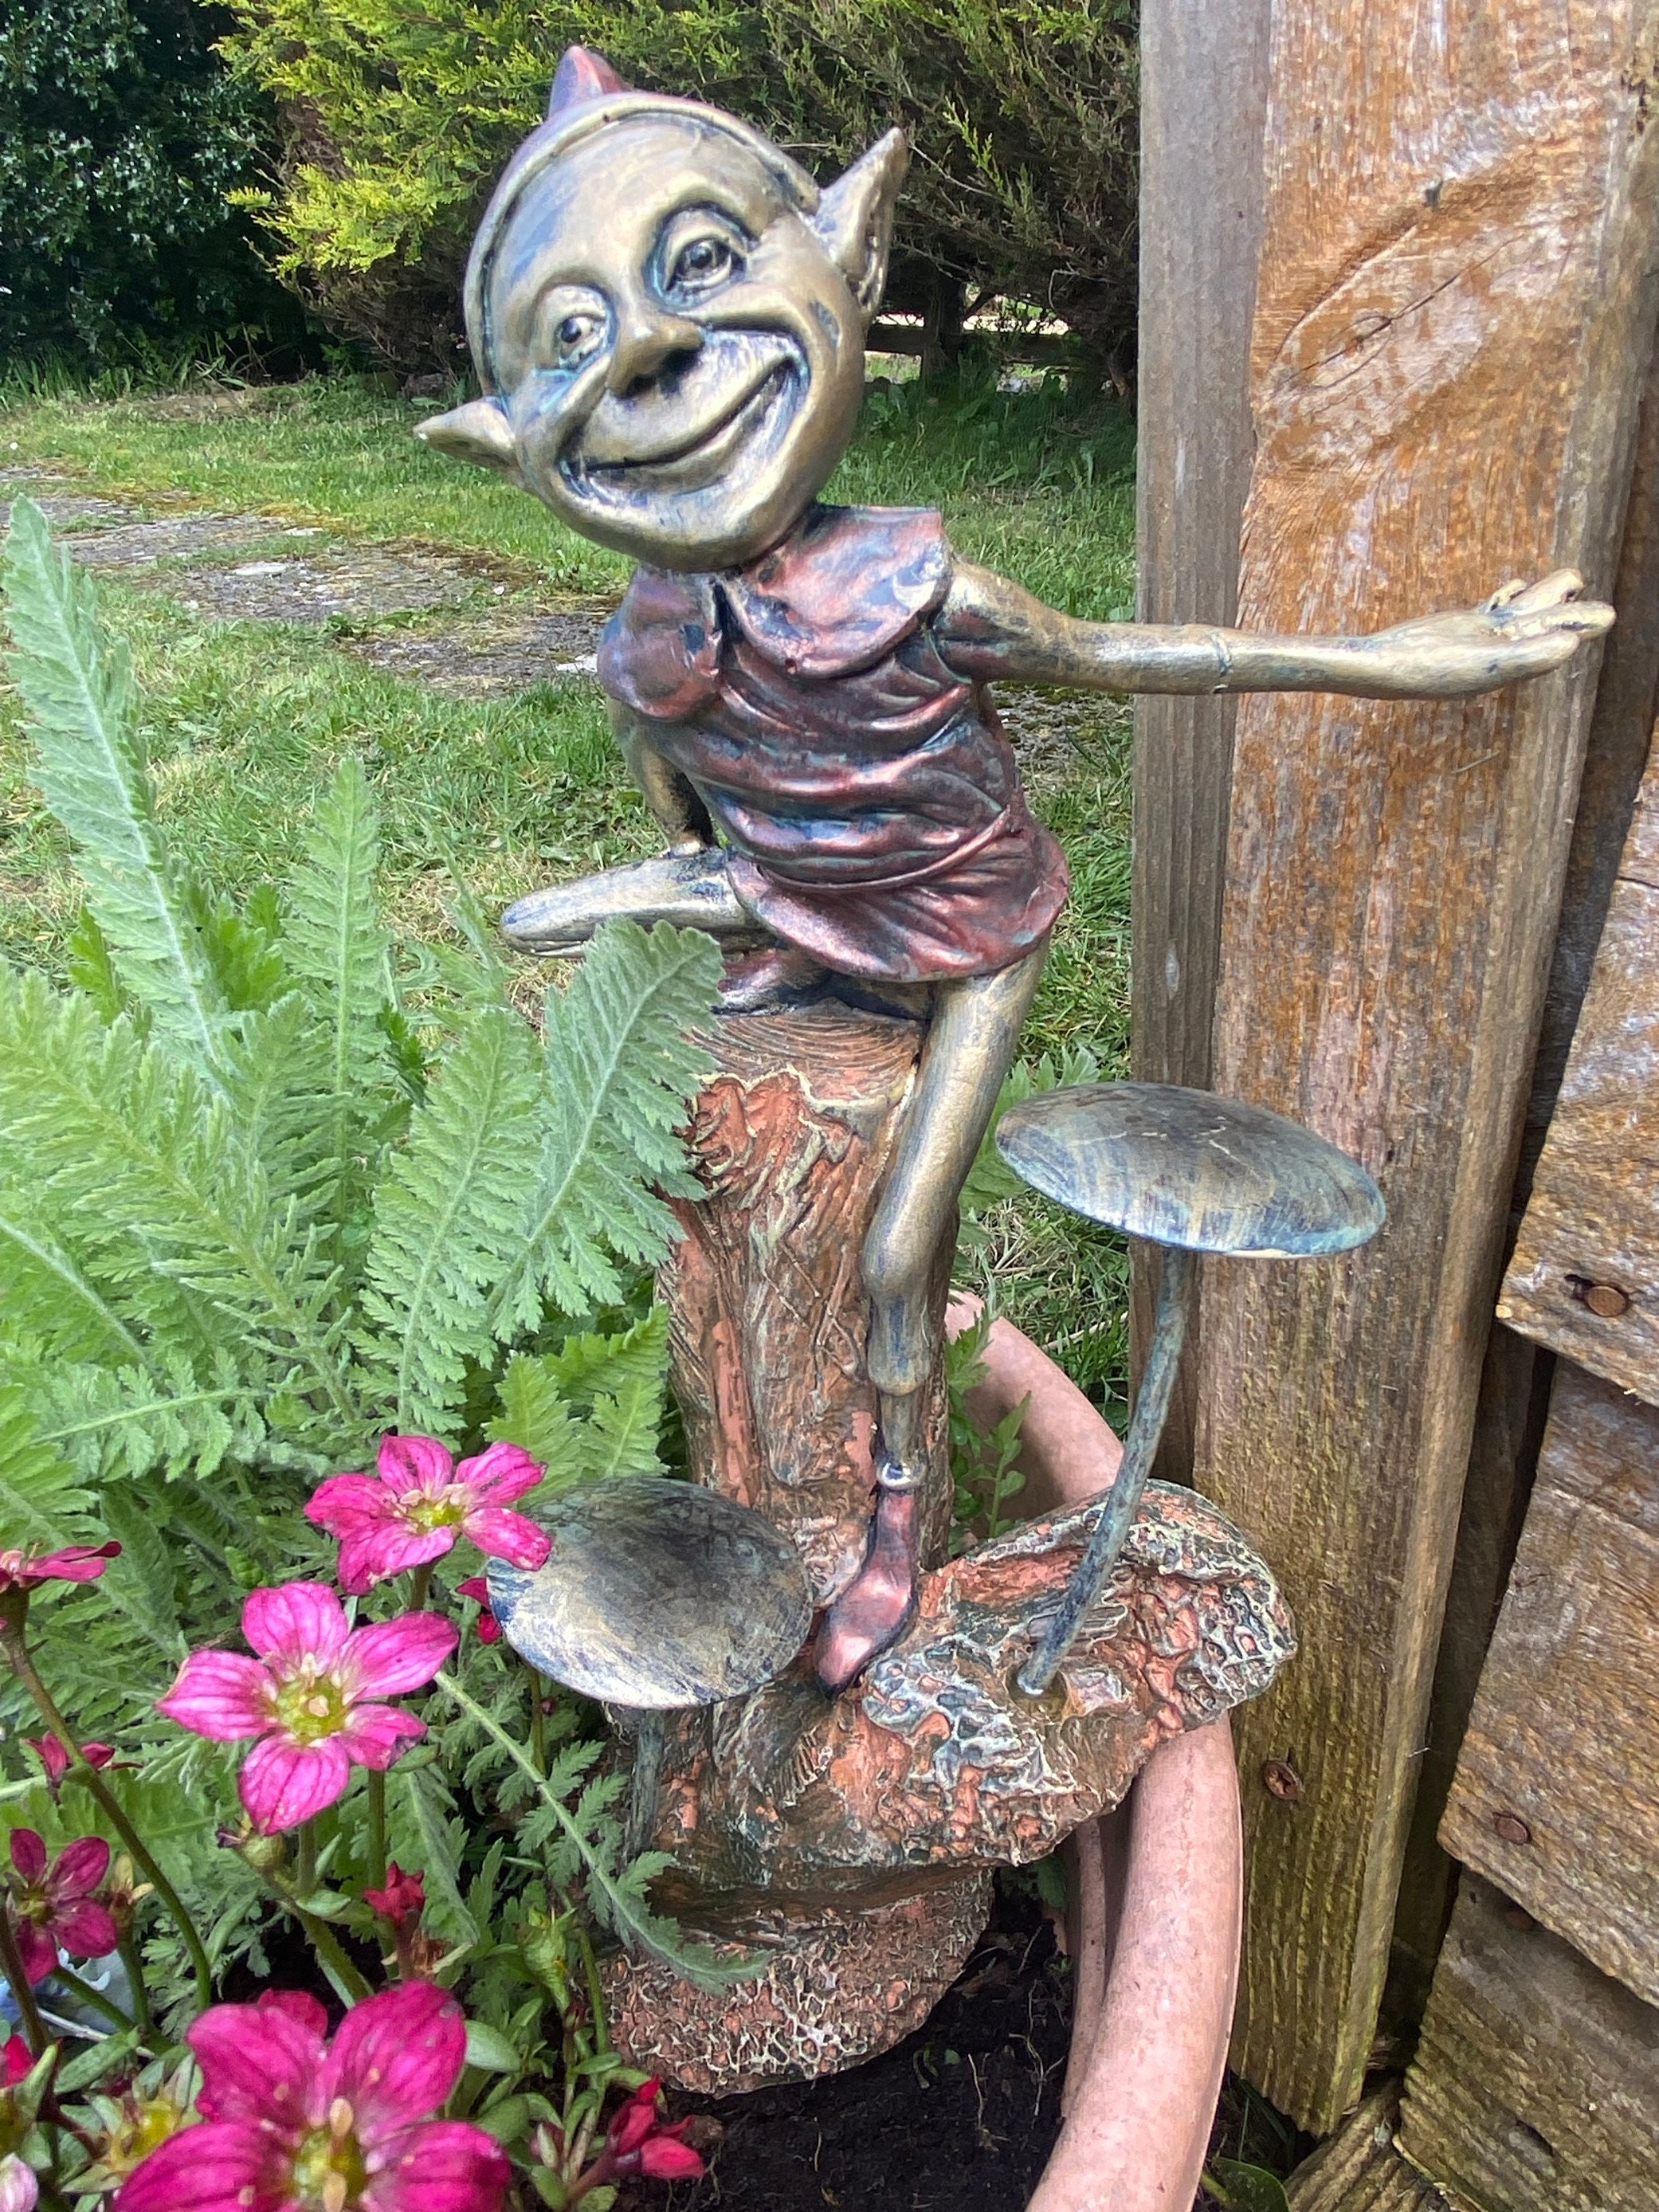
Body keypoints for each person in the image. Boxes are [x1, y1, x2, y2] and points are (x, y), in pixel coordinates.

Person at [419, 47, 1613, 1691]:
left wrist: (1413, 657)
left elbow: (1146, 656)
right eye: (571, 338)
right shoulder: (645, 646)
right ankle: (748, 1460)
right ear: (504, 439)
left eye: (696, 264)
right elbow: (680, 794)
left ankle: (892, 1527)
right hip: (788, 902)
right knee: (581, 967)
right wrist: (723, 888)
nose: (648, 350)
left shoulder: (918, 589)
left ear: (850, 257)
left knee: (896, 1248)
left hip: (968, 920)